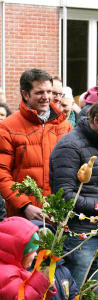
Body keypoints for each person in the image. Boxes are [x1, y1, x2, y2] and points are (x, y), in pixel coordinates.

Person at [50, 99, 98, 287]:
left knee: (95, 291)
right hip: (77, 238)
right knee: (76, 291)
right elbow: (64, 197)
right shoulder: (69, 147)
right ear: (97, 120)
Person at [0, 68, 72, 219]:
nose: (46, 97)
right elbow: (2, 174)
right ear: (25, 94)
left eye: (49, 91)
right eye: (40, 92)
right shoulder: (7, 128)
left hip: (59, 215)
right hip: (23, 217)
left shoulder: (65, 126)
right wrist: (24, 205)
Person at [0, 216, 57, 300]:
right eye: (33, 252)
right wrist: (42, 278)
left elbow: (34, 293)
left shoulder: (16, 268)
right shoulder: (5, 274)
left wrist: (48, 286)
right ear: (21, 252)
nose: (35, 256)